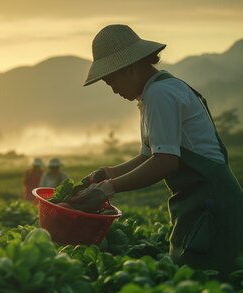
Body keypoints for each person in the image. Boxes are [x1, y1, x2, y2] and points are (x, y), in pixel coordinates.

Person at [72, 24, 243, 276]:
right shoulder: (154, 92)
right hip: (199, 200)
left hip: (211, 202)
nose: (114, 90)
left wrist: (108, 189)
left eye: (111, 81)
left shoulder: (160, 94)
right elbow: (147, 156)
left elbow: (165, 162)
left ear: (129, 67)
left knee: (209, 279)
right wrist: (104, 175)